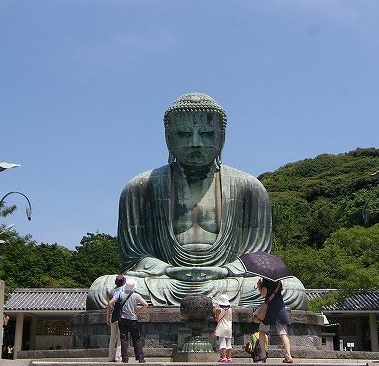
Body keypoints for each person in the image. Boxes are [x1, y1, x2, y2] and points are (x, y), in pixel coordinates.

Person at [87, 93, 307, 310]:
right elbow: (134, 259)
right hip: (166, 281)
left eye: (207, 134)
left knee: (292, 290)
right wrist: (167, 270)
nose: (195, 143)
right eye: (183, 134)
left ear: (222, 137)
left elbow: (258, 259)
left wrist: (225, 271)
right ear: (168, 138)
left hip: (227, 280)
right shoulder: (140, 188)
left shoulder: (249, 188)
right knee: (101, 289)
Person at [109, 278, 149, 363]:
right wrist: (138, 311)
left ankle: (125, 358)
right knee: (136, 338)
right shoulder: (136, 295)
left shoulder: (120, 294)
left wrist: (117, 310)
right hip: (133, 319)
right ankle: (140, 358)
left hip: (122, 319)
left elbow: (110, 303)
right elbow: (146, 304)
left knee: (124, 339)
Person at [255, 278, 293, 363]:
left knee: (261, 331)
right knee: (283, 333)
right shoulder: (279, 280)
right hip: (280, 307)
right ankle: (288, 355)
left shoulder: (266, 280)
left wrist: (259, 287)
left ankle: (263, 354)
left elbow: (264, 294)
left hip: (269, 308)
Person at [105, 274, 126, 362]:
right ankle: (118, 357)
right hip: (121, 317)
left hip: (113, 317)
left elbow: (108, 305)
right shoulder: (124, 292)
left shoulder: (111, 291)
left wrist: (107, 317)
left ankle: (110, 357)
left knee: (113, 337)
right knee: (120, 338)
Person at [214, 294, 233, 363]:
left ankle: (224, 357)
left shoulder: (218, 309)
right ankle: (229, 357)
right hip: (229, 327)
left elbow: (216, 319)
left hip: (221, 327)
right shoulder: (230, 309)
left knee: (222, 343)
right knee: (229, 343)